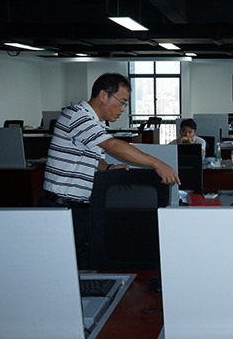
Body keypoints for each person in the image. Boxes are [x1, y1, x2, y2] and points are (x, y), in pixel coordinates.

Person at [38, 73, 181, 268]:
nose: (122, 109)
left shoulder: (97, 123)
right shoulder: (76, 115)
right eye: (121, 102)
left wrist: (110, 167)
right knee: (60, 269)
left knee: (82, 268)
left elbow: (93, 160)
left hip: (80, 210)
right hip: (60, 209)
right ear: (103, 95)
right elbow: (112, 145)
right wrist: (157, 163)